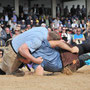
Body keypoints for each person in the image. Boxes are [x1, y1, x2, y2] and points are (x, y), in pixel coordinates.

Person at [0, 27, 74, 75]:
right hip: (13, 52)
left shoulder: (43, 29)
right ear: (52, 40)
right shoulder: (38, 41)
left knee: (13, 71)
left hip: (14, 44)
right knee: (6, 73)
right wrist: (35, 60)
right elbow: (22, 49)